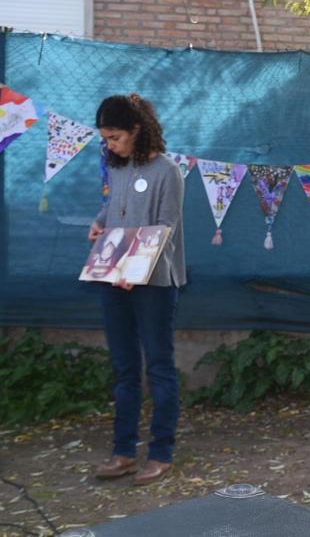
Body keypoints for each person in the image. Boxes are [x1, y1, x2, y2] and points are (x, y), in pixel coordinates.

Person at [88, 93, 186, 486]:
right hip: (114, 279)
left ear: (136, 130)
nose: (109, 145)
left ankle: (161, 452)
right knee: (124, 367)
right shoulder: (117, 166)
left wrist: (136, 267)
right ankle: (124, 451)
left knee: (158, 366)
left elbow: (164, 229)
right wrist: (98, 223)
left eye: (114, 137)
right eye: (105, 139)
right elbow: (113, 209)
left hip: (154, 283)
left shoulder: (168, 171)